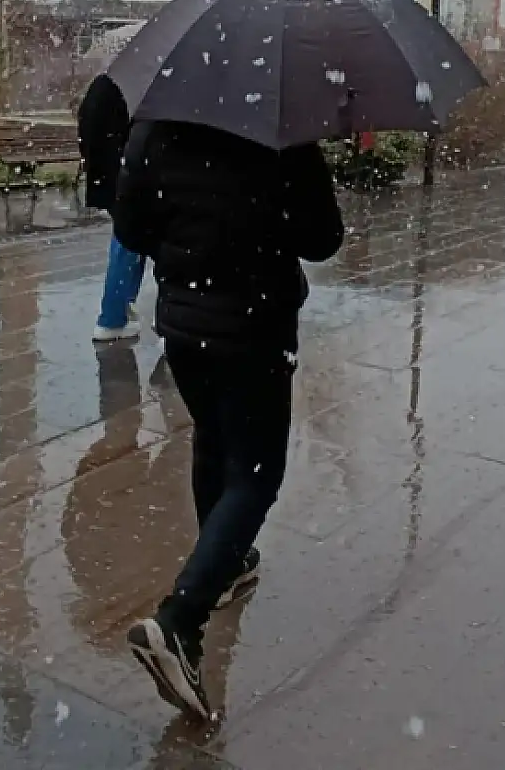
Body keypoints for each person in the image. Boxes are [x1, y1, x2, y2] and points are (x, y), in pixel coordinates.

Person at [113, 119, 344, 720]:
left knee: (213, 440)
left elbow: (131, 226)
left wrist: (191, 238)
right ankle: (178, 623)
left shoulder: (157, 127)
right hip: (255, 329)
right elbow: (322, 238)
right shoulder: (281, 132)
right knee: (256, 476)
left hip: (184, 328)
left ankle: (229, 562)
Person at [78, 73, 144, 342]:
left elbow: (86, 128)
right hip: (128, 179)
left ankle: (122, 307)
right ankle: (112, 317)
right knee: (129, 243)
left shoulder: (105, 85)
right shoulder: (133, 89)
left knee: (134, 240)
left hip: (111, 178)